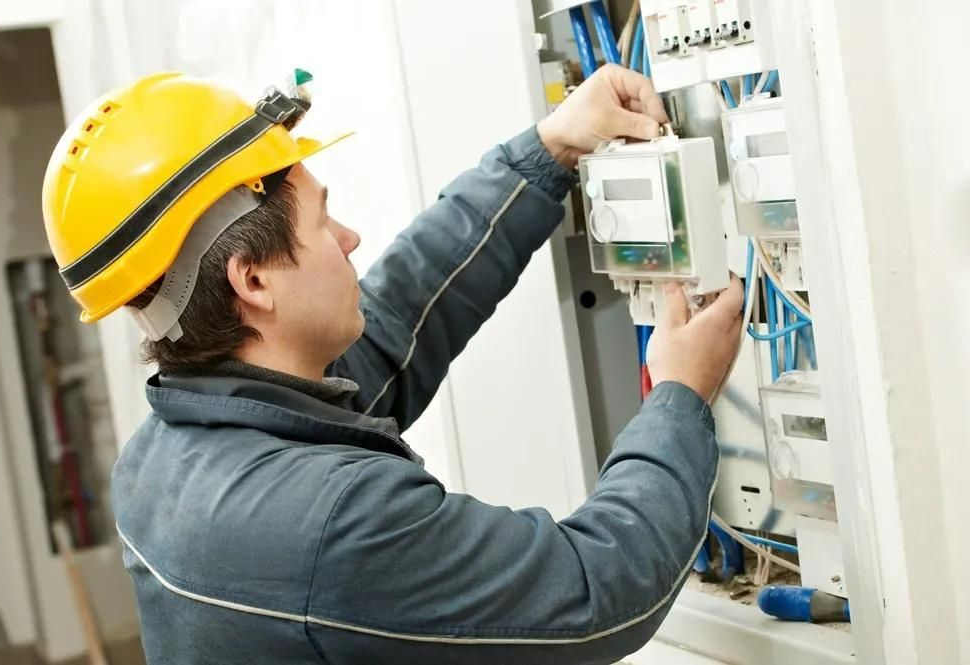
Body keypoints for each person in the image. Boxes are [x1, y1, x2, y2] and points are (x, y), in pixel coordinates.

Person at [42, 64, 743, 664]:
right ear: (252, 281)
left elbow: (400, 317)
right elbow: (600, 588)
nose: (349, 238)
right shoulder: (324, 523)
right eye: (323, 221)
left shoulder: (165, 458)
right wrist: (680, 391)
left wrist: (546, 151)